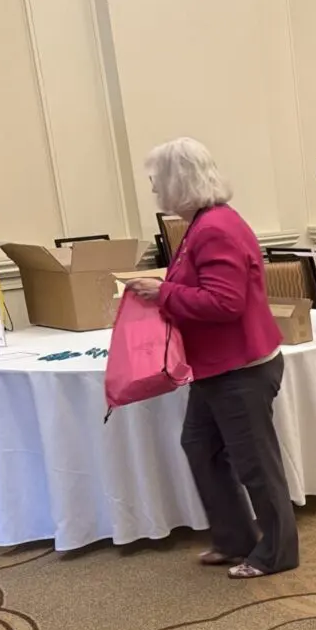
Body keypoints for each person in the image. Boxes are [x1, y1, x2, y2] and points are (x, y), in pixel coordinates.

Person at [124, 137, 298, 579]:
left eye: (156, 181)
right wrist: (166, 288)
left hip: (240, 367)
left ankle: (276, 552)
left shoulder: (214, 227)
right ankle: (235, 537)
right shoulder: (203, 224)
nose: (153, 189)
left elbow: (225, 303)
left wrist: (162, 292)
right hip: (217, 367)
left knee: (255, 463)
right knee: (200, 446)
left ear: (177, 181)